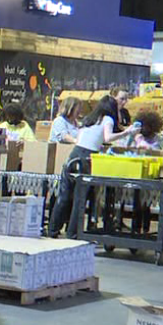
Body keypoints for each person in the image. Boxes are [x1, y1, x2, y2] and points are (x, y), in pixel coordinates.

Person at [48, 96, 138, 238]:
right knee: (79, 198)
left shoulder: (89, 119)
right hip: (87, 158)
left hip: (74, 155)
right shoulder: (108, 119)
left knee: (64, 196)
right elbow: (108, 138)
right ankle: (72, 233)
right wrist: (127, 132)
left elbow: (82, 138)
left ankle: (52, 230)